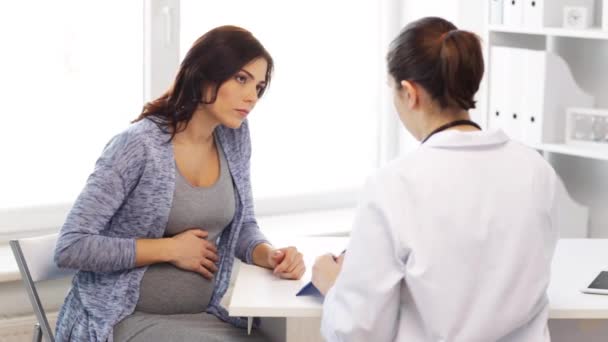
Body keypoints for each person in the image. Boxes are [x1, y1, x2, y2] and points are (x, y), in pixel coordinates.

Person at [312, 17, 559, 342]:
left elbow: (358, 331)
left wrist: (334, 287)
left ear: (409, 93)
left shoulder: (394, 185)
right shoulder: (536, 170)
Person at [53, 25, 305, 341]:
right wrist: (169, 249)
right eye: (241, 79)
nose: (252, 96)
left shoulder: (234, 136)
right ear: (204, 75)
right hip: (123, 316)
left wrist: (269, 254)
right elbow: (71, 246)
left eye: (259, 86)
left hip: (201, 316)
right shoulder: (138, 146)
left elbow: (242, 225)